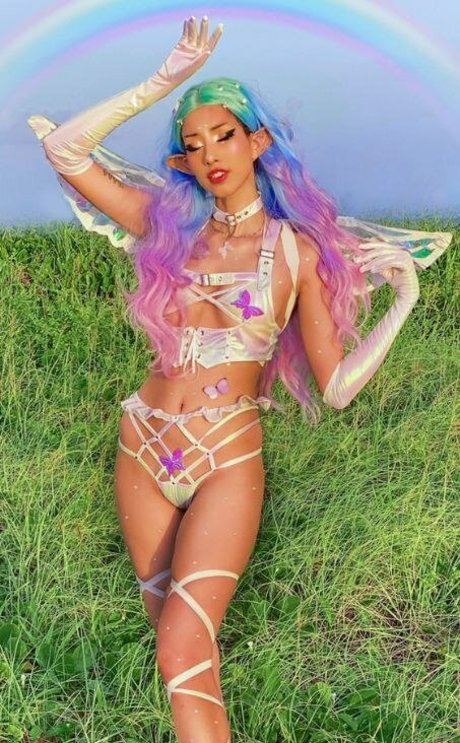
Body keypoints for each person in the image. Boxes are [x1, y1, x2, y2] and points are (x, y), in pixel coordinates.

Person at [27, 17, 452, 743]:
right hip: (142, 447)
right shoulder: (167, 227)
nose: (210, 154)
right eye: (192, 144)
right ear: (182, 161)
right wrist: (162, 81)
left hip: (224, 457)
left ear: (257, 142)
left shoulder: (296, 250)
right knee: (182, 660)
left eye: (223, 134)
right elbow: (64, 148)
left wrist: (404, 303)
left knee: (181, 650)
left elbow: (337, 387)